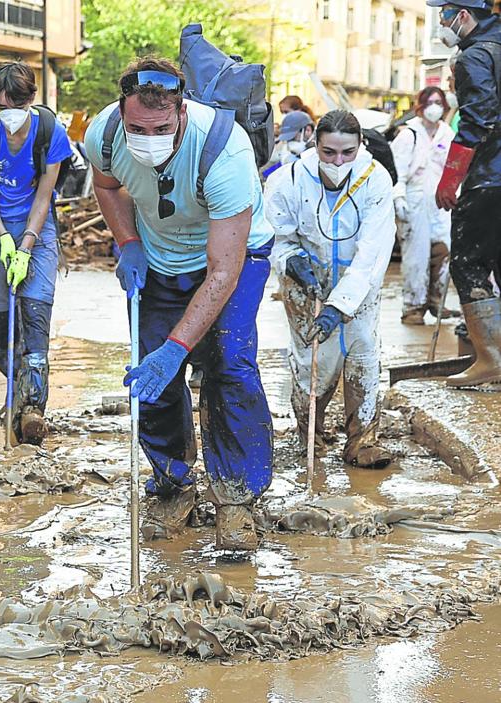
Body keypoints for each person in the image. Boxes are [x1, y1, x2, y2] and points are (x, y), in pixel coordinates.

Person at [85, 57, 277, 551]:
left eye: (161, 128)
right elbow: (107, 185)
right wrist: (127, 241)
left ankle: (235, 498)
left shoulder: (224, 151)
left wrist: (179, 346)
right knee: (152, 376)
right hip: (158, 256)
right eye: (137, 128)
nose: (147, 137)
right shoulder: (104, 134)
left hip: (234, 256)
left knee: (230, 364)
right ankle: (173, 483)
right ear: (122, 115)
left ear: (182, 113)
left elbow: (224, 271)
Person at [265, 110, 396, 470]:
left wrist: (340, 305)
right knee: (313, 358)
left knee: (363, 351)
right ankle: (312, 433)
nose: (338, 161)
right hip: (306, 281)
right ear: (315, 144)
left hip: (359, 281)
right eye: (329, 153)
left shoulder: (375, 180)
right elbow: (273, 235)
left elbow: (373, 250)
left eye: (347, 153)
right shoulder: (289, 179)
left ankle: (363, 440)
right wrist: (290, 259)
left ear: (360, 147)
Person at [0, 61, 71, 445]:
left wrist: (26, 242)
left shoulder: (51, 133)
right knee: (5, 316)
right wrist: (3, 237)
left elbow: (44, 195)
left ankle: (34, 411)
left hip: (37, 228)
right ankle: (13, 391)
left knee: (37, 311)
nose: (9, 115)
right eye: (2, 106)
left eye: (16, 106)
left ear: (31, 100)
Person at [429, 0, 501, 386]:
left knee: (469, 263)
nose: (441, 21)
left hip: (490, 177)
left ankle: (491, 359)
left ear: (463, 14)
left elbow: (478, 120)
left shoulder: (473, 57)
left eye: (444, 13)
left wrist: (450, 178)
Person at [392, 86, 457, 325]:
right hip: (415, 199)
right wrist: (398, 196)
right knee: (416, 255)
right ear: (420, 105)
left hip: (439, 201)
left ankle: (435, 300)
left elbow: (452, 168)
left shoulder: (447, 134)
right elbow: (397, 170)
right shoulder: (409, 135)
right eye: (430, 102)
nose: (434, 107)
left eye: (439, 102)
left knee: (443, 251)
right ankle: (413, 307)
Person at [264, 110, 314, 176]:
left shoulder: (318, 155)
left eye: (293, 138)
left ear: (308, 130)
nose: (289, 144)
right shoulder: (279, 161)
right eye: (288, 140)